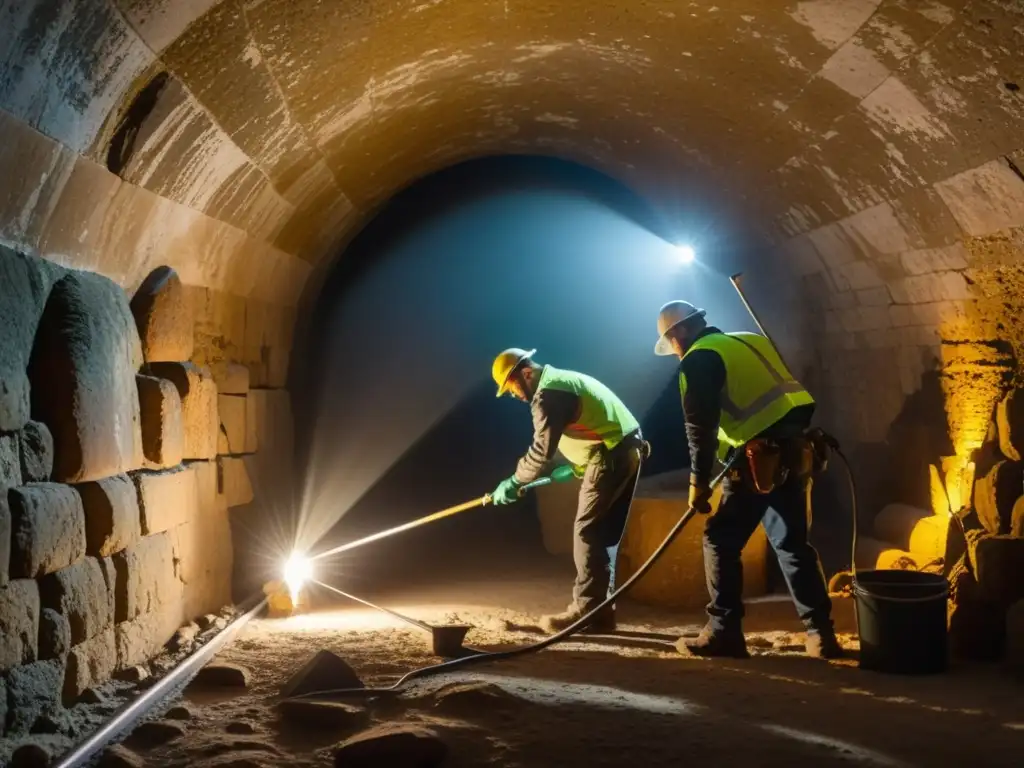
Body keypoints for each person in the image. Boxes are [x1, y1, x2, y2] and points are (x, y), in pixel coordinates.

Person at [654, 301, 841, 659]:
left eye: (671, 343)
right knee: (793, 545)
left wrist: (698, 481)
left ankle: (724, 632)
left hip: (756, 457)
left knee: (720, 540)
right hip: (796, 450)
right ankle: (822, 636)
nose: (674, 352)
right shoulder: (749, 340)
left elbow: (700, 428)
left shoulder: (699, 359)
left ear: (678, 333)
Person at [490, 348, 648, 633]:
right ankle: (600, 613)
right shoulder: (561, 380)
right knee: (602, 535)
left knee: (588, 531)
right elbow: (591, 421)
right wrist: (579, 464)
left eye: (511, 387)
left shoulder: (547, 394)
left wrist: (514, 481)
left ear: (526, 373)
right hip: (624, 449)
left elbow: (541, 451)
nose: (513, 394)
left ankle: (587, 610)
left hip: (610, 455)